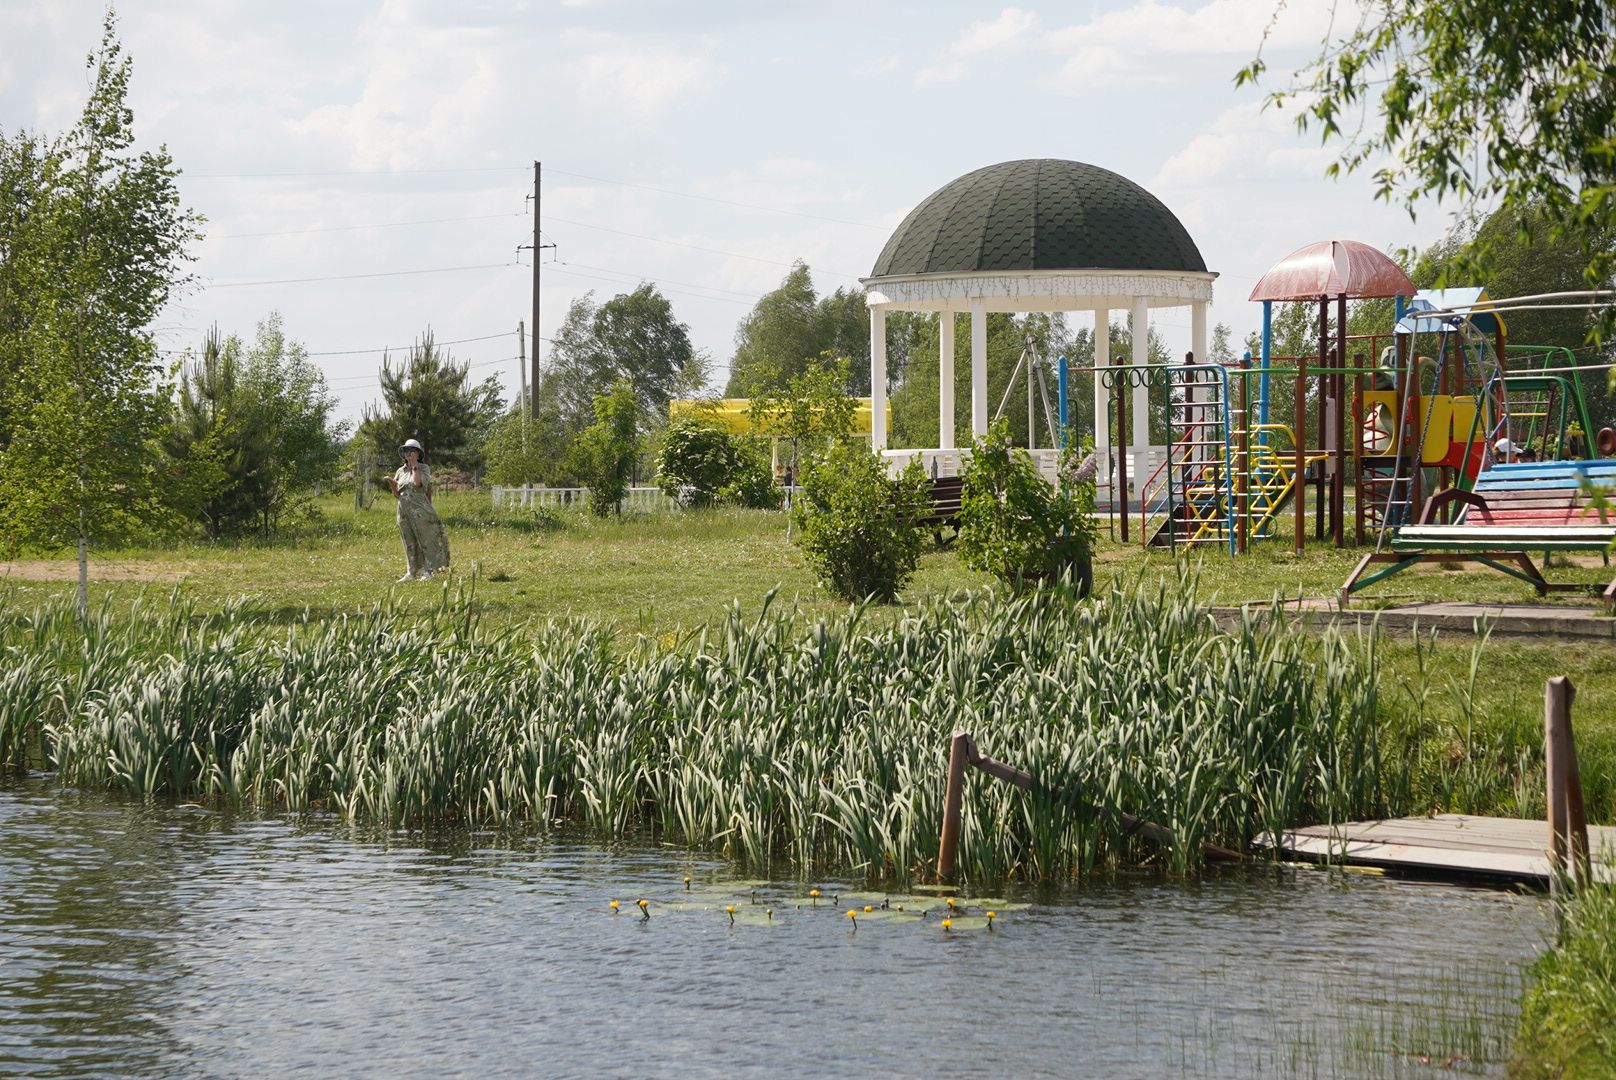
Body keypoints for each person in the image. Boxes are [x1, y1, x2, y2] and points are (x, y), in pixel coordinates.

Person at [389, 438, 450, 581]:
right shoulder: (400, 470)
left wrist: (414, 466)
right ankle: (411, 572)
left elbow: (418, 485)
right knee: (408, 539)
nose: (407, 453)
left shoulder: (423, 468)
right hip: (404, 509)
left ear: (418, 453)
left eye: (411, 450)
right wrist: (392, 485)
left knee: (425, 538)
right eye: (405, 450)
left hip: (420, 508)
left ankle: (428, 571)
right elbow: (397, 494)